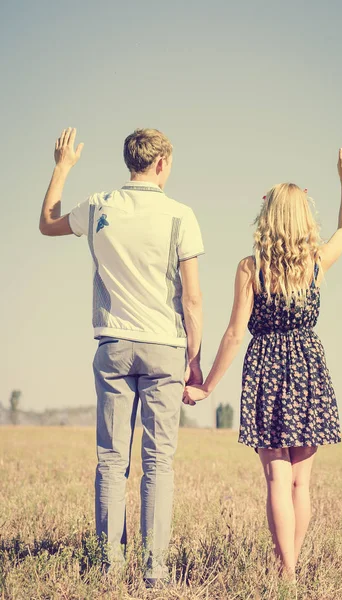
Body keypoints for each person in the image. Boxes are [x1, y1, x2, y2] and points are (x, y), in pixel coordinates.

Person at [39, 127, 204, 586]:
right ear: (162, 163)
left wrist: (62, 167)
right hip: (166, 348)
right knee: (159, 463)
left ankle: (107, 570)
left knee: (111, 460)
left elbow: (47, 222)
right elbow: (192, 299)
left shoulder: (98, 205)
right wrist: (195, 358)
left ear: (130, 161)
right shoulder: (180, 215)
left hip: (113, 345)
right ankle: (155, 574)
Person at [184, 147, 342, 581]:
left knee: (277, 481)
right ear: (303, 219)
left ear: (267, 218)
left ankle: (288, 574)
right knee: (302, 483)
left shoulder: (251, 267)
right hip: (308, 368)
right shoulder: (316, 264)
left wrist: (206, 386)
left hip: (265, 370)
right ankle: (289, 574)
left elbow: (234, 334)